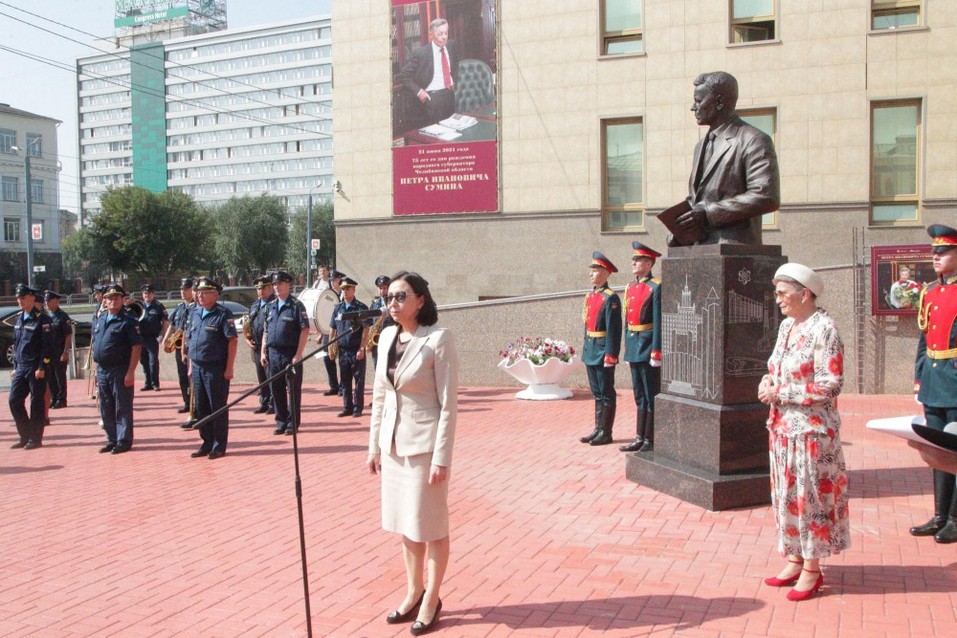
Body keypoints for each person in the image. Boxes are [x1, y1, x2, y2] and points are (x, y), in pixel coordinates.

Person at [367, 271, 458, 636]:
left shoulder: (438, 339)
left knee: (431, 525)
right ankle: (413, 591)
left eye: (401, 296)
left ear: (421, 299)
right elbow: (379, 396)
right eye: (390, 297)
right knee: (406, 523)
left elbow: (448, 404)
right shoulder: (386, 335)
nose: (393, 303)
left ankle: (432, 598)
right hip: (393, 446)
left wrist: (442, 457)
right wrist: (373, 445)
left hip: (424, 447)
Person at [758, 263, 849, 601]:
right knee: (787, 496)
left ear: (804, 293)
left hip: (812, 433)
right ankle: (795, 556)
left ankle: (813, 565)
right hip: (782, 428)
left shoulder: (825, 329)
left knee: (810, 497)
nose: (777, 298)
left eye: (782, 292)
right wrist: (767, 381)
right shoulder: (786, 327)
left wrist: (782, 393)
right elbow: (774, 366)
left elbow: (830, 384)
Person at [672, 71, 780, 246]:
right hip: (703, 247)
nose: (693, 107)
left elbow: (766, 196)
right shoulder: (700, 146)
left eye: (699, 101)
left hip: (736, 247)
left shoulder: (754, 140)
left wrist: (708, 213)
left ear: (720, 102)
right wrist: (682, 231)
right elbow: (697, 199)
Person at [911, 224, 957, 544]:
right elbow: (923, 337)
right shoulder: (930, 292)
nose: (936, 257)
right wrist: (918, 376)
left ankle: (955, 518)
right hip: (933, 378)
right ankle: (940, 515)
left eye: (943, 252)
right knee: (939, 451)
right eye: (934, 252)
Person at [186, 277, 238, 460]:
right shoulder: (194, 313)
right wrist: (191, 366)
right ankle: (206, 442)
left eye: (204, 292)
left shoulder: (223, 314)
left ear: (215, 295)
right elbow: (191, 340)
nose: (199, 295)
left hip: (216, 368)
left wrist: (229, 368)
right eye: (198, 292)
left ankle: (218, 445)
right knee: (201, 408)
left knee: (217, 408)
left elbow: (232, 341)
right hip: (198, 367)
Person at [619, 242, 662, 453]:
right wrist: (627, 348)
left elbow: (658, 321)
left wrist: (657, 350)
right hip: (635, 346)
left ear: (649, 263)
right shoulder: (631, 287)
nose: (634, 263)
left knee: (650, 392)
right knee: (639, 394)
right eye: (634, 260)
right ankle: (640, 435)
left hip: (647, 345)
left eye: (638, 260)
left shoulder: (656, 287)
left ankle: (651, 438)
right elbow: (627, 321)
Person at [92, 284, 143, 455]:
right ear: (104, 301)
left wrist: (130, 372)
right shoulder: (100, 318)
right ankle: (112, 439)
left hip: (120, 369)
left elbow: (136, 347)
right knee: (106, 406)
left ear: (122, 300)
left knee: (122, 406)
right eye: (110, 298)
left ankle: (124, 440)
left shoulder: (127, 320)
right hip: (102, 369)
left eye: (117, 298)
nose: (113, 301)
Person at [579, 252, 622, 446]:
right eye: (591, 270)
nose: (591, 274)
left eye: (595, 270)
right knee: (596, 393)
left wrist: (611, 354)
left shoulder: (610, 298)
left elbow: (614, 330)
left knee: (606, 392)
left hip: (603, 350)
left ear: (605, 273)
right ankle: (598, 428)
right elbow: (587, 325)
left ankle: (606, 431)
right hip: (591, 348)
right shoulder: (591, 296)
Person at [261, 271, 310, 435]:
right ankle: (280, 421)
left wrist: (298, 354)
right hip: (273, 354)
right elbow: (266, 332)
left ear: (288, 285)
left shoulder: (296, 306)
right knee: (277, 389)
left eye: (280, 284)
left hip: (290, 354)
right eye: (274, 284)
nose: (276, 287)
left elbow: (305, 330)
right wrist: (263, 352)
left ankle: (292, 423)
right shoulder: (270, 307)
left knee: (293, 390)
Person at [8, 284, 53, 450]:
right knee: (14, 401)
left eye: (23, 298)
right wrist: (15, 366)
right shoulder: (19, 318)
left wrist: (42, 366)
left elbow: (47, 346)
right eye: (18, 298)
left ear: (32, 299)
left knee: (36, 403)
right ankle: (25, 434)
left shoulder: (42, 319)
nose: (20, 301)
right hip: (21, 367)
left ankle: (35, 438)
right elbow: (17, 344)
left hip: (36, 368)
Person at [396, 18, 459, 128]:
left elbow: (455, 66)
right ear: (431, 35)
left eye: (446, 33)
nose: (444, 37)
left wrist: (454, 80)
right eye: (440, 34)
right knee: (436, 134)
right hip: (432, 99)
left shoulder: (451, 45)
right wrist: (419, 92)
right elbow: (403, 76)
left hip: (449, 96)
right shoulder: (422, 53)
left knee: (453, 131)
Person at [330, 277, 371, 418]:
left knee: (358, 381)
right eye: (343, 289)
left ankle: (357, 408)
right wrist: (331, 345)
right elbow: (333, 328)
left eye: (348, 289)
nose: (345, 291)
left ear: (354, 290)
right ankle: (347, 407)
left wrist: (362, 348)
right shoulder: (338, 308)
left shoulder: (361, 308)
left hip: (356, 349)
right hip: (343, 350)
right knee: (345, 380)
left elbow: (366, 330)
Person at [163, 277, 196, 417]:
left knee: (192, 379)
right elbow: (172, 325)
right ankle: (187, 402)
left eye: (186, 289)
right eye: (181, 289)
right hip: (178, 348)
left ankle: (195, 404)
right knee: (182, 377)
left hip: (190, 348)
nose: (183, 292)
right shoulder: (179, 308)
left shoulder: (196, 307)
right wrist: (166, 340)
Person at [247, 275, 276, 415]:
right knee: (261, 377)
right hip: (257, 346)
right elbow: (248, 325)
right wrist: (248, 340)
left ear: (271, 288)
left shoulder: (274, 304)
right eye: (258, 288)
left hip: (269, 346)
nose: (261, 291)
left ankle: (273, 403)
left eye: (264, 288)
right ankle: (264, 402)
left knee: (270, 376)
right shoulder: (254, 305)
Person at [315, 269, 343, 397]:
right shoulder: (328, 294)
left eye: (335, 280)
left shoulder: (344, 294)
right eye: (331, 280)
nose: (332, 283)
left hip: (340, 331)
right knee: (327, 357)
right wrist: (321, 332)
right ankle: (333, 385)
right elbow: (323, 314)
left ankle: (343, 386)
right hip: (328, 331)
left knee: (342, 360)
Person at [44, 290, 73, 409]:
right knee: (50, 376)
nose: (46, 303)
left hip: (59, 351)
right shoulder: (47, 316)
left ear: (55, 302)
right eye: (46, 301)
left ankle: (62, 399)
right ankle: (54, 397)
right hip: (49, 353)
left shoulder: (62, 316)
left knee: (60, 376)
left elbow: (68, 335)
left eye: (48, 301)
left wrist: (65, 351)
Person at [138, 284, 168, 391]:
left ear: (153, 294)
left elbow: (165, 321)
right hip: (141, 338)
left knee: (153, 361)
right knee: (144, 361)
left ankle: (155, 383)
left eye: (149, 293)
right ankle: (148, 383)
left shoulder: (158, 306)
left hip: (152, 338)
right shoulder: (139, 306)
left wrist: (162, 335)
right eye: (145, 293)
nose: (147, 295)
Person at [368, 275, 395, 373]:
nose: (382, 291)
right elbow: (370, 322)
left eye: (384, 288)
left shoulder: (394, 302)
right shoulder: (375, 304)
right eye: (380, 288)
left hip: (391, 340)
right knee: (378, 368)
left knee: (391, 369)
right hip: (377, 341)